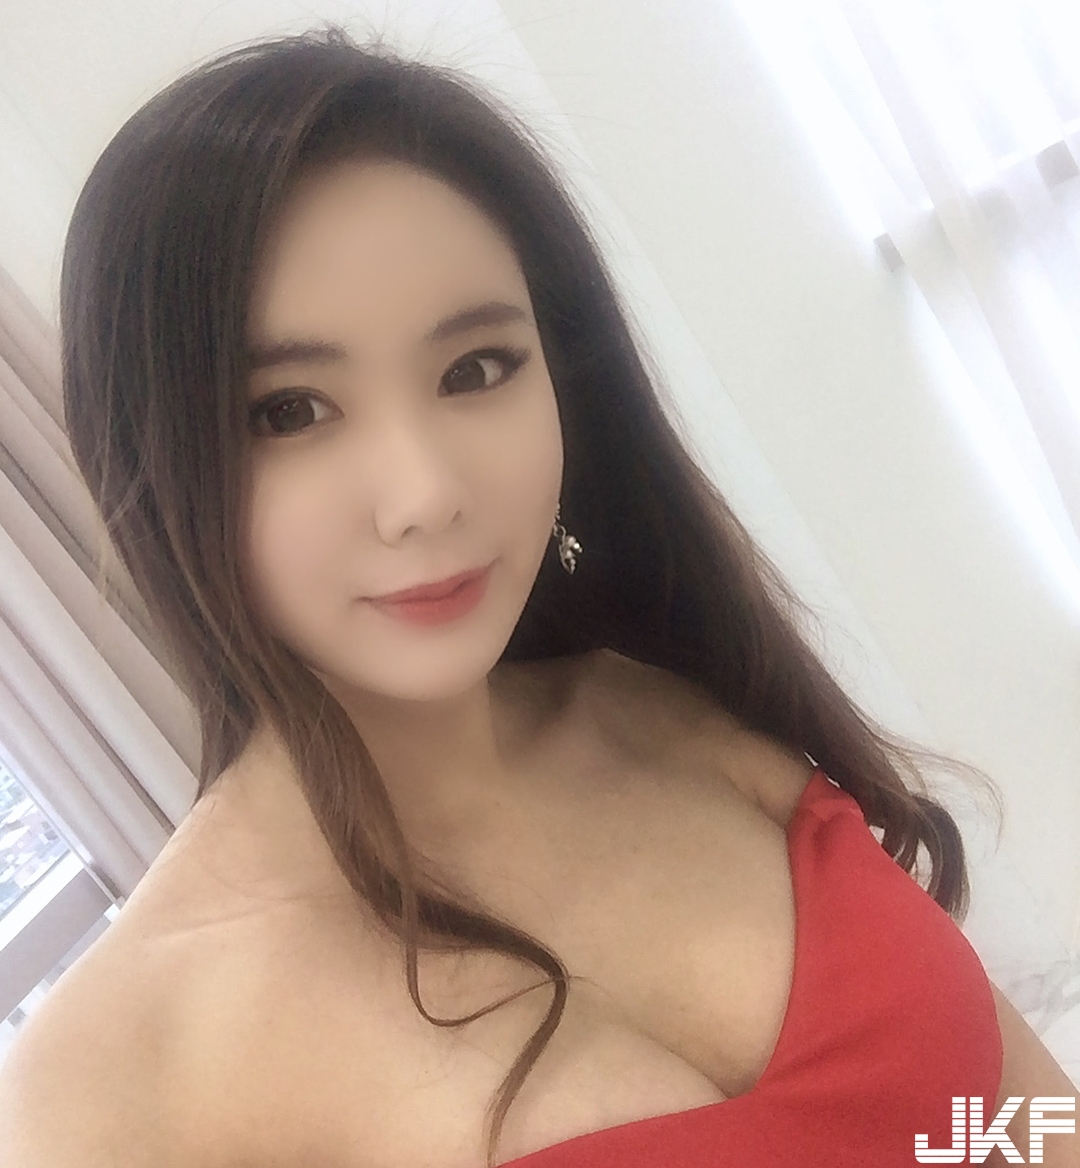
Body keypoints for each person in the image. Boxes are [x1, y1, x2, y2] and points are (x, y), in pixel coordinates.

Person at [0, 27, 1076, 1168]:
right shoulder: (109, 1090)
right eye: (289, 412)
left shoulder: (674, 714)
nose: (425, 493)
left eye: (475, 369)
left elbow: (1008, 1118)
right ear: (146, 464)